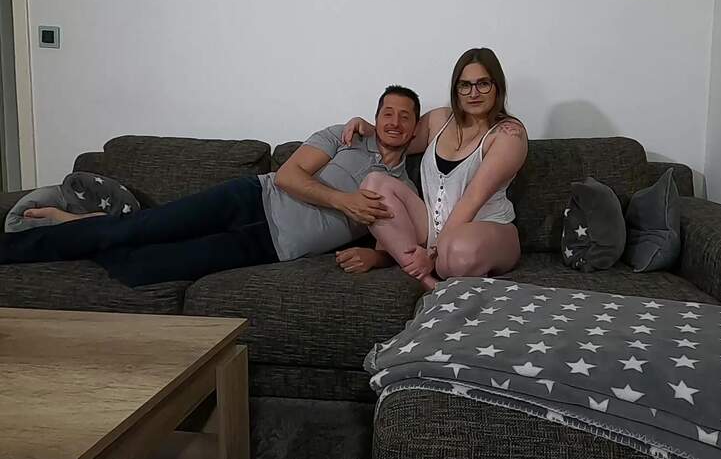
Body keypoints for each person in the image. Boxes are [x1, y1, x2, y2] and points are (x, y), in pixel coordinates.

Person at [0, 86, 421, 286]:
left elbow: (400, 244)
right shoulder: (344, 136)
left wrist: (374, 257)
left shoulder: (400, 188)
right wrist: (344, 201)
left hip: (269, 246)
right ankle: (14, 248)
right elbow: (289, 176)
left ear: (415, 127)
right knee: (133, 229)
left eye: (405, 116)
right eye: (387, 112)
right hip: (249, 200)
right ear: (375, 117)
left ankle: (87, 224)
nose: (394, 122)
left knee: (139, 269)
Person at [339, 48, 527, 289]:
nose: (473, 93)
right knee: (374, 183)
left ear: (497, 86)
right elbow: (399, 138)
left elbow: (473, 199)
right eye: (465, 85)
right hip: (431, 227)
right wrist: (368, 128)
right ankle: (426, 279)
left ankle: (433, 264)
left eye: (483, 84)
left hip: (487, 229)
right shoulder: (439, 119)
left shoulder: (510, 134)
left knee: (456, 253)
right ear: (456, 89)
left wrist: (432, 253)